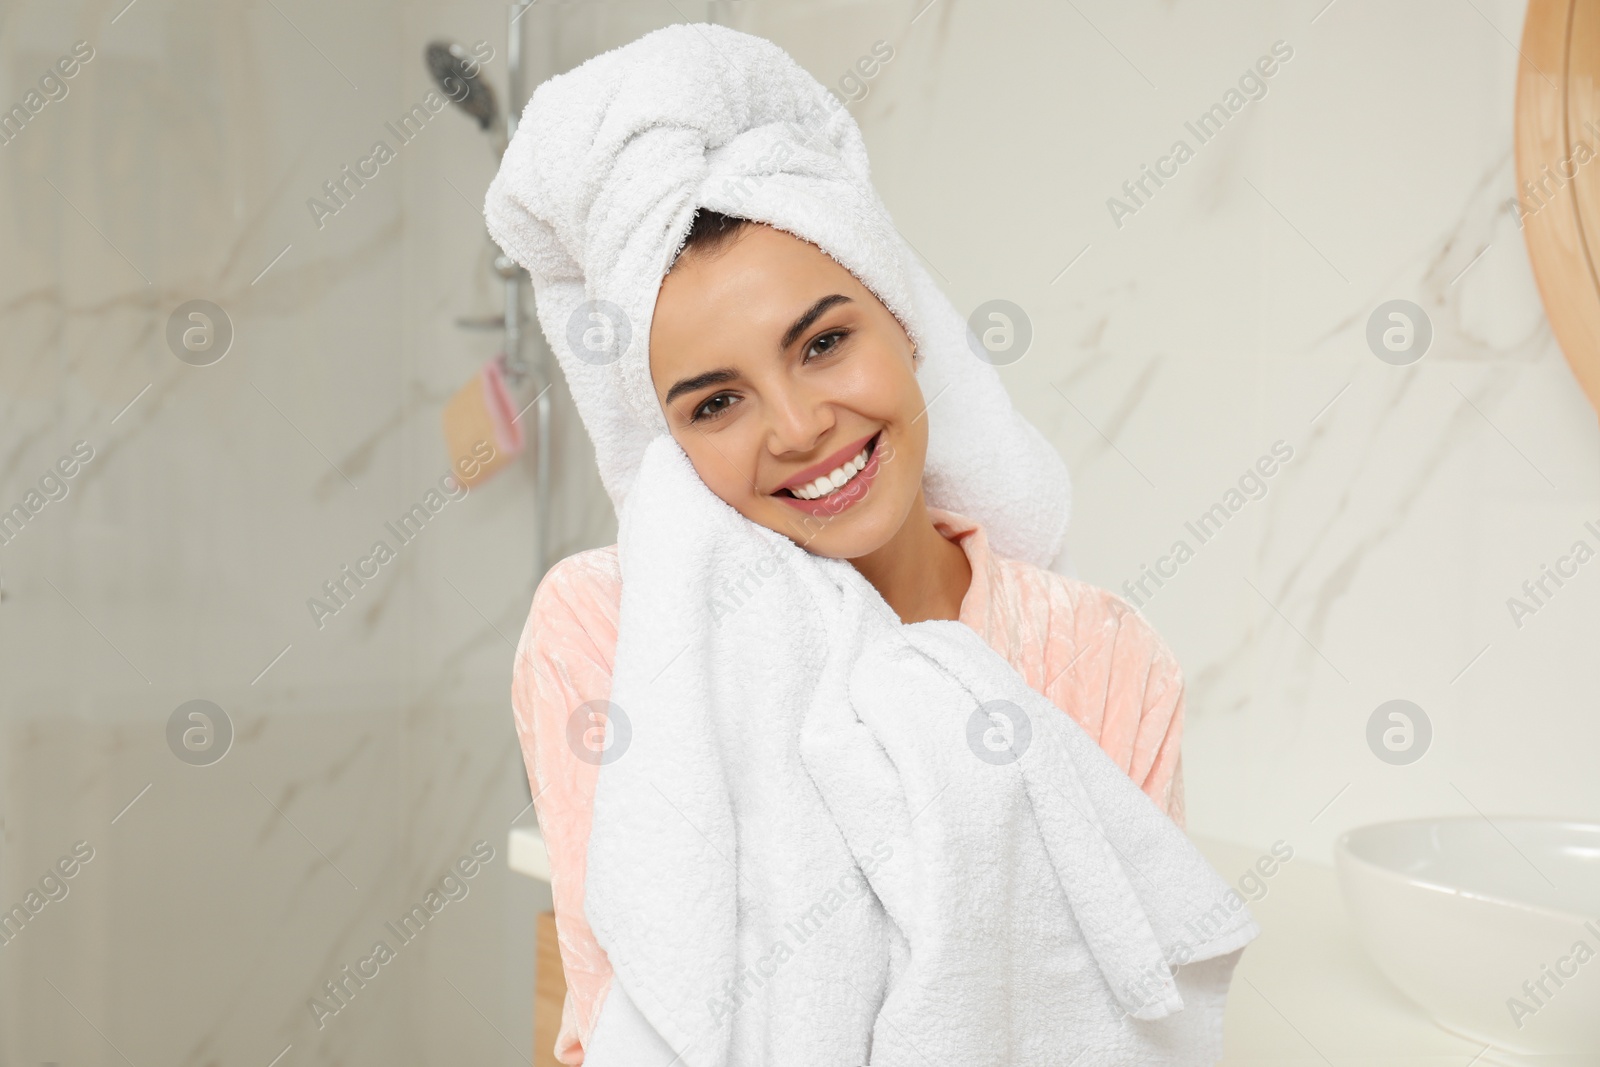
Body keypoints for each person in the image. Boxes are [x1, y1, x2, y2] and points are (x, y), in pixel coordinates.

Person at [510, 205, 1191, 1064]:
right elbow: (630, 1009)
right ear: (670, 448)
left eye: (823, 344)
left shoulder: (1103, 654)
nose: (798, 429)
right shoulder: (612, 624)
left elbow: (1133, 1006)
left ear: (905, 328)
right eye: (717, 402)